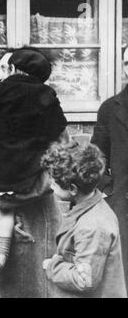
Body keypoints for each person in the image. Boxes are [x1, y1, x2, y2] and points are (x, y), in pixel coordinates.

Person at [0, 47, 67, 298]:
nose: (0, 77)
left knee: (30, 284)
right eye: (0, 70)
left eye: (5, 69)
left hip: (33, 215)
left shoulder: (38, 117)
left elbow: (60, 164)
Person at [41, 142, 127, 298]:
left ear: (73, 189)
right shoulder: (93, 205)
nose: (51, 187)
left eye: (54, 184)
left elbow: (85, 280)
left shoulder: (92, 226)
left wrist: (52, 266)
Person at [91, 45, 128, 288]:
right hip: (123, 204)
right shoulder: (111, 107)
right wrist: (109, 189)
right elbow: (96, 156)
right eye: (127, 63)